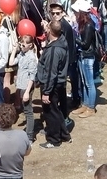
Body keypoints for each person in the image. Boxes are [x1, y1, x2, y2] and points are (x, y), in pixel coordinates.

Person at [35, 18, 70, 149]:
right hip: (59, 83)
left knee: (50, 112)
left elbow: (51, 73)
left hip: (51, 85)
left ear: (50, 30)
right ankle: (64, 134)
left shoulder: (54, 51)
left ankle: (54, 139)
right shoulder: (62, 40)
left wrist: (46, 92)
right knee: (57, 110)